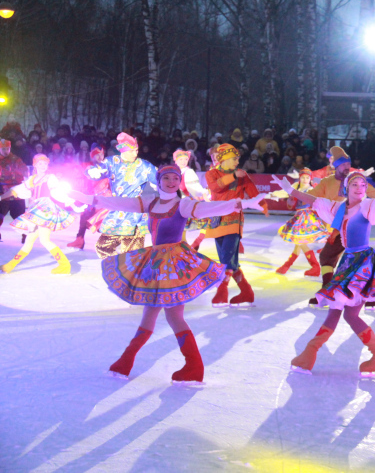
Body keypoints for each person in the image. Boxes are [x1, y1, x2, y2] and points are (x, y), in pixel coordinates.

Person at [68, 165, 266, 382]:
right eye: (167, 178)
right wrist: (86, 198)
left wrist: (244, 203)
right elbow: (117, 202)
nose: (171, 181)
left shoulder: (183, 205)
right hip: (154, 266)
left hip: (174, 267)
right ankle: (131, 361)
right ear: (159, 180)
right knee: (153, 314)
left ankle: (185, 365)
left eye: (175, 178)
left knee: (172, 316)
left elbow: (211, 208)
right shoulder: (149, 203)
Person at [273, 168, 375, 376]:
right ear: (346, 188)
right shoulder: (338, 208)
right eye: (355, 185)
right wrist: (290, 189)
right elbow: (314, 200)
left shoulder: (368, 206)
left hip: (363, 264)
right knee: (337, 311)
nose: (360, 188)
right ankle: (310, 355)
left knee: (350, 314)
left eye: (363, 185)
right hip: (348, 263)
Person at [303, 146, 375, 307]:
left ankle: (331, 293)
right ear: (335, 166)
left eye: (348, 164)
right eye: (343, 164)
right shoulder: (327, 182)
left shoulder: (355, 179)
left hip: (353, 227)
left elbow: (374, 192)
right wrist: (295, 198)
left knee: (339, 259)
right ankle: (371, 296)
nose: (347, 167)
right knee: (345, 260)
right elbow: (313, 196)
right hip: (339, 227)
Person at [205, 144, 267, 307]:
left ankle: (222, 292)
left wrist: (264, 204)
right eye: (234, 158)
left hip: (234, 220)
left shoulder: (242, 174)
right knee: (228, 260)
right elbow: (215, 187)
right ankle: (246, 292)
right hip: (217, 220)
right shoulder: (211, 173)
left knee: (226, 258)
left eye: (237, 158)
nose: (238, 161)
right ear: (223, 159)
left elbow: (254, 193)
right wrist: (233, 176)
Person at [0, 154, 84, 274]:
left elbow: (57, 192)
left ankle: (64, 265)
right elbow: (17, 189)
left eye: (45, 163)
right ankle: (10, 265)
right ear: (35, 165)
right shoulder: (32, 179)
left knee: (45, 240)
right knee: (29, 241)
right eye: (40, 163)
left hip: (45, 211)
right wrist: (1, 197)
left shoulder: (50, 178)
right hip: (36, 211)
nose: (43, 166)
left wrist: (72, 203)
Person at [86, 132, 158, 259]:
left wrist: (165, 187)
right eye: (132, 151)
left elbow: (160, 178)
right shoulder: (112, 162)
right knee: (103, 247)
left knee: (133, 255)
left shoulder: (144, 165)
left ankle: (132, 273)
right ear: (123, 151)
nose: (135, 154)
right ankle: (119, 269)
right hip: (117, 212)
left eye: (136, 150)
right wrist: (92, 171)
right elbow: (97, 169)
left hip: (135, 213)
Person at [273, 168, 329, 275]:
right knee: (298, 244)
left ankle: (315, 266)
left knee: (300, 242)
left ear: (310, 179)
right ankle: (286, 266)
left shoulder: (310, 189)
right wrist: (271, 195)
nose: (305, 179)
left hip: (306, 217)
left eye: (307, 177)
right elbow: (284, 192)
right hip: (299, 216)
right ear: (299, 178)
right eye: (303, 177)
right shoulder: (296, 186)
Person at [67, 145, 111, 250]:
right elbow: (78, 172)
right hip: (91, 198)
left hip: (105, 199)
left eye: (102, 155)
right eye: (97, 155)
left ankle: (111, 242)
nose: (100, 157)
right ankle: (79, 240)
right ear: (92, 156)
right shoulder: (87, 166)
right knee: (84, 218)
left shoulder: (108, 167)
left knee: (102, 223)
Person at [0, 139, 28, 243]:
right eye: (3, 149)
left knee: (20, 216)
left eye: (7, 148)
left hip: (17, 192)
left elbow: (24, 169)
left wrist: (25, 172)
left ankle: (25, 235)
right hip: (2, 192)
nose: (6, 151)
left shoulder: (16, 159)